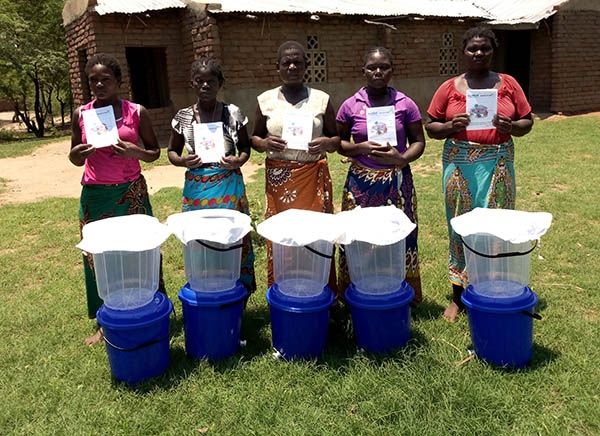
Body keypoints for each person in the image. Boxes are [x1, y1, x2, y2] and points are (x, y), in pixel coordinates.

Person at [424, 27, 533, 322]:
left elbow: (527, 121)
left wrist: (512, 127)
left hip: (497, 162)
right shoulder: (449, 87)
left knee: (497, 227)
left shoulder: (508, 84)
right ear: (463, 51)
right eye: (472, 48)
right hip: (459, 163)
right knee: (459, 224)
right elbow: (431, 126)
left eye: (484, 48)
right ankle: (459, 296)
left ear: (492, 51)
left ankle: (491, 288)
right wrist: (450, 126)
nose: (478, 53)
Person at [69, 53, 165, 345]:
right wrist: (79, 153)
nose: (99, 84)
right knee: (99, 257)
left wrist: (133, 152)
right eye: (93, 80)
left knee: (141, 250)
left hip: (131, 192)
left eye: (105, 79)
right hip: (96, 194)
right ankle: (104, 318)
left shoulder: (137, 112)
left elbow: (154, 152)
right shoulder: (81, 114)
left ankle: (152, 306)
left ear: (119, 82)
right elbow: (73, 156)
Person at [336, 47, 426, 303]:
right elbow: (338, 144)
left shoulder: (405, 104)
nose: (378, 72)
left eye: (384, 67)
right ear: (363, 70)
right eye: (372, 67)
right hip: (360, 183)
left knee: (398, 235)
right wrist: (359, 148)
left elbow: (419, 141)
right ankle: (355, 291)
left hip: (396, 181)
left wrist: (402, 159)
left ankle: (399, 292)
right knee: (358, 237)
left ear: (391, 70)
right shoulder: (350, 105)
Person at [251, 41, 340, 290]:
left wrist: (325, 142)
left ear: (306, 66)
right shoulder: (265, 100)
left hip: (313, 178)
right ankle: (284, 287)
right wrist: (266, 142)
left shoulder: (321, 100)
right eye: (286, 62)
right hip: (280, 182)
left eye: (297, 62)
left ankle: (320, 288)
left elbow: (336, 140)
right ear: (277, 66)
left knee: (315, 234)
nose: (292, 66)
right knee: (283, 235)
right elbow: (254, 138)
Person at [167, 57, 256, 294]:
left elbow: (246, 148)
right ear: (192, 84)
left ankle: (238, 288)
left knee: (231, 236)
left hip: (228, 185)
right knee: (201, 238)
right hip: (198, 191)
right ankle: (205, 287)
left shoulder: (234, 113)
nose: (205, 85)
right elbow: (172, 152)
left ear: (220, 83)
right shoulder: (183, 117)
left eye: (211, 81)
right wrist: (183, 161)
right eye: (200, 81)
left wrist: (238, 160)